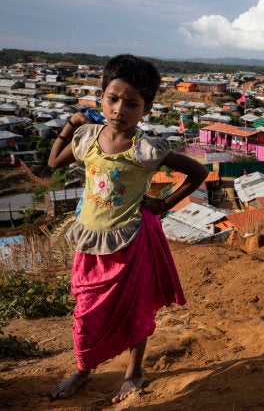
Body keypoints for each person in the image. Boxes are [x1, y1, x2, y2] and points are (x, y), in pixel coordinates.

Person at [47, 55, 209, 404]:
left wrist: (164, 203)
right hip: (90, 242)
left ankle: (134, 372)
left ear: (146, 108)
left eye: (132, 103)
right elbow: (52, 162)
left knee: (136, 309)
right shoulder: (88, 138)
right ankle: (83, 368)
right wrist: (70, 124)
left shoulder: (146, 149)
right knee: (86, 310)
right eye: (113, 99)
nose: (119, 109)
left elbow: (198, 172)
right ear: (101, 96)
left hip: (130, 242)